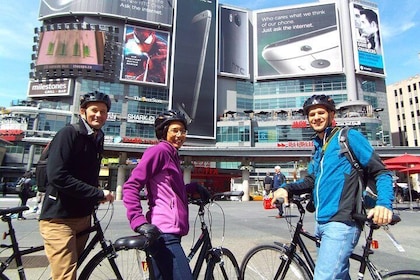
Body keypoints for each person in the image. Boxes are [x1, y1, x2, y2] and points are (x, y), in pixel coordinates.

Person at [272, 94, 394, 279]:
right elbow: (310, 181)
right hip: (321, 223)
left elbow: (381, 172)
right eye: (311, 114)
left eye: (321, 112)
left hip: (343, 222)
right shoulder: (319, 148)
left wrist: (384, 204)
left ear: (331, 114)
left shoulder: (348, 138)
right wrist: (286, 188)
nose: (316, 117)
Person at [123, 109, 210, 280]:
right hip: (163, 231)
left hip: (170, 231)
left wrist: (192, 188)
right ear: (164, 132)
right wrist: (138, 221)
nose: (180, 135)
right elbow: (131, 186)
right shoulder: (159, 152)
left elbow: (168, 192)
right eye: (174, 130)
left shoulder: (172, 155)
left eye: (183, 131)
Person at [38, 91, 115, 280]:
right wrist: (96, 193)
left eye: (103, 111)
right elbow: (57, 176)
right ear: (83, 111)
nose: (98, 115)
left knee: (69, 270)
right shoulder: (69, 133)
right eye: (94, 110)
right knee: (66, 275)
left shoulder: (97, 137)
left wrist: (96, 194)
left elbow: (86, 174)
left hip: (82, 217)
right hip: (59, 219)